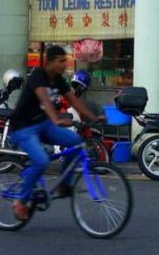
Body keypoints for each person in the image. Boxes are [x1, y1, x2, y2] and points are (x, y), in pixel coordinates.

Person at [8, 46, 104, 221]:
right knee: (42, 161)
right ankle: (20, 200)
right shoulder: (38, 75)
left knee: (75, 142)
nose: (64, 65)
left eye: (65, 61)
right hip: (23, 128)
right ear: (49, 62)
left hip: (42, 125)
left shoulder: (58, 79)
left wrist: (94, 117)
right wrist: (56, 119)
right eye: (61, 61)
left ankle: (64, 185)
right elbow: (44, 99)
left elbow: (74, 100)